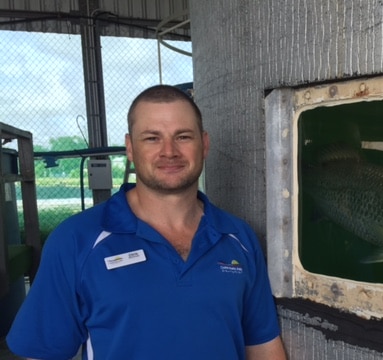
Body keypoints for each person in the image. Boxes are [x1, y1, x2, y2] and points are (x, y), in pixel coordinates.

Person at [6, 85, 287, 359]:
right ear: (130, 148)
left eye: (183, 137)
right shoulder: (77, 241)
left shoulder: (238, 238)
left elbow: (263, 346)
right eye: (152, 138)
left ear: (205, 144)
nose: (169, 151)